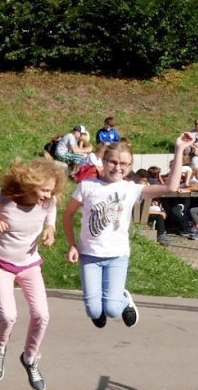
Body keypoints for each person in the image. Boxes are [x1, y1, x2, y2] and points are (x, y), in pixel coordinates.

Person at [62, 135, 190, 330]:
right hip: (89, 256)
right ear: (104, 160)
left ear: (130, 166)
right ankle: (101, 306)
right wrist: (72, 245)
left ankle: (122, 301)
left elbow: (171, 187)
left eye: (124, 164)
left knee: (112, 309)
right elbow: (68, 214)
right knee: (94, 312)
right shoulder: (87, 186)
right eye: (113, 162)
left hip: (117, 256)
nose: (117, 168)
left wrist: (179, 149)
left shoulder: (131, 189)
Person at [0, 159, 66, 390]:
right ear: (29, 185)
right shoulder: (4, 200)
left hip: (29, 264)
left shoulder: (47, 202)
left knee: (42, 315)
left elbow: (52, 209)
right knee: (8, 315)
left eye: (51, 191)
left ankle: (30, 358)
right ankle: (0, 349)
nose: (48, 195)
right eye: (44, 190)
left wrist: (50, 228)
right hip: (0, 262)